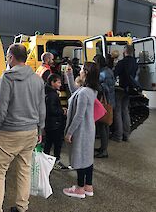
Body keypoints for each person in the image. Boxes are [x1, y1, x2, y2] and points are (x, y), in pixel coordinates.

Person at [0, 44, 45, 212]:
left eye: (7, 56)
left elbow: (0, 109)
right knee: (24, 170)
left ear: (11, 57)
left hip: (8, 133)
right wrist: (40, 129)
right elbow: (42, 108)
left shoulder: (7, 78)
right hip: (31, 133)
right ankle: (22, 207)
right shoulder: (37, 79)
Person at [63, 62, 99, 199]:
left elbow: (79, 115)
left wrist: (69, 132)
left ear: (87, 73)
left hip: (81, 130)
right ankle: (88, 186)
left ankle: (79, 189)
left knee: (80, 159)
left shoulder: (84, 92)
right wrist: (69, 74)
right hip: (88, 129)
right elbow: (74, 92)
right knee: (87, 158)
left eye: (82, 69)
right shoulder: (90, 90)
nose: (80, 71)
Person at [112, 45, 138, 142]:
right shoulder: (135, 63)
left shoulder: (122, 62)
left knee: (118, 111)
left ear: (125, 51)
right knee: (125, 111)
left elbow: (114, 74)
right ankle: (126, 134)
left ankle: (118, 135)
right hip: (130, 89)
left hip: (121, 89)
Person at [44, 74, 69, 170]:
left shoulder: (48, 92)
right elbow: (51, 110)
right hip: (55, 123)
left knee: (48, 143)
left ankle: (45, 160)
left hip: (49, 123)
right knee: (57, 144)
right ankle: (56, 161)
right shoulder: (52, 95)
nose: (60, 84)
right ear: (52, 83)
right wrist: (62, 111)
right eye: (58, 82)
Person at [93, 54, 116, 158]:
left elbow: (105, 88)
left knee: (103, 126)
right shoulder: (108, 70)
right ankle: (103, 147)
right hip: (110, 101)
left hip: (106, 103)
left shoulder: (103, 73)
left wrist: (96, 85)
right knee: (104, 126)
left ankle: (104, 151)